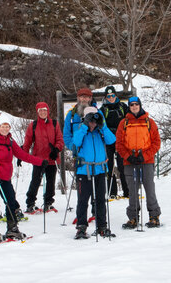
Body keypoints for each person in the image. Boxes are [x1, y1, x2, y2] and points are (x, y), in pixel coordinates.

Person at [0, 113, 48, 242]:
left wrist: (40, 161)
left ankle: (12, 229)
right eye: (2, 126)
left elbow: (22, 155)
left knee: (11, 201)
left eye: (7, 126)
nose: (5, 129)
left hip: (4, 177)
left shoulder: (10, 141)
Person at [116, 96, 161, 229]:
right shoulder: (123, 123)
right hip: (130, 161)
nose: (134, 107)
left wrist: (145, 156)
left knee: (149, 188)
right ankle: (133, 217)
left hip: (146, 161)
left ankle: (154, 216)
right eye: (131, 105)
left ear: (140, 105)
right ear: (129, 107)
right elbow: (119, 144)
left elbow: (156, 142)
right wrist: (128, 156)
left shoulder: (149, 122)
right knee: (132, 189)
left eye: (136, 104)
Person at [73, 106, 116, 239]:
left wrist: (103, 126)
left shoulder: (101, 132)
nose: (93, 121)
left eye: (94, 117)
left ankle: (102, 226)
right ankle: (81, 226)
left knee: (100, 200)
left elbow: (112, 140)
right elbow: (75, 142)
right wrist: (85, 126)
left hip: (100, 170)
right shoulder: (81, 130)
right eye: (90, 117)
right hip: (84, 171)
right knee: (83, 200)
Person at [20, 102, 64, 213]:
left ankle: (48, 203)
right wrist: (22, 155)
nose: (43, 112)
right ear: (37, 112)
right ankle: (30, 203)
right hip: (38, 159)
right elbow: (28, 142)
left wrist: (56, 149)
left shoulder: (54, 124)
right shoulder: (33, 125)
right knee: (35, 181)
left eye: (44, 110)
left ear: (48, 111)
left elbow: (59, 139)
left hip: (51, 158)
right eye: (40, 111)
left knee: (50, 182)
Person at [63, 87, 97, 223]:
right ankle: (81, 214)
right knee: (82, 188)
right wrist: (74, 147)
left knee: (96, 186)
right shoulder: (71, 114)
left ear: (90, 98)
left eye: (86, 97)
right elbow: (66, 134)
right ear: (78, 98)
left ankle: (96, 212)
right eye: (81, 97)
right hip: (80, 158)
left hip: (95, 157)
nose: (84, 99)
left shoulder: (97, 113)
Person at [100, 85, 129, 198]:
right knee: (109, 166)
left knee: (123, 166)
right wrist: (110, 132)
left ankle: (127, 191)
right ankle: (112, 192)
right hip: (108, 141)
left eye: (112, 95)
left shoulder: (122, 106)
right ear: (106, 97)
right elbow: (102, 124)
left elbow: (128, 120)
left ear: (115, 95)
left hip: (121, 140)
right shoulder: (103, 109)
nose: (111, 98)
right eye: (108, 96)